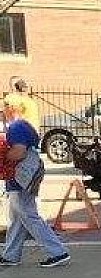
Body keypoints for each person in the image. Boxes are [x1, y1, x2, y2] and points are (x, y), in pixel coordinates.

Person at [0, 99, 70, 268]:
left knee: (28, 215)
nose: (2, 110)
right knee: (17, 218)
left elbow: (19, 152)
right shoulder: (23, 125)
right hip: (24, 176)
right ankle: (11, 255)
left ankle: (58, 252)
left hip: (20, 177)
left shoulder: (16, 127)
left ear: (11, 108)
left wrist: (3, 157)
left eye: (5, 106)